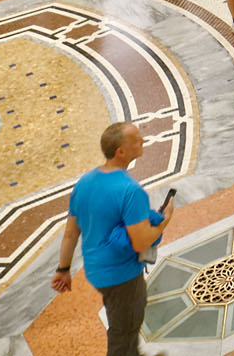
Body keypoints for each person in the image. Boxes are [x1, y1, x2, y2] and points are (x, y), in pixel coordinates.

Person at [54, 121, 169, 354]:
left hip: (96, 271)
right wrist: (165, 220)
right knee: (124, 329)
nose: (143, 140)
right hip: (122, 275)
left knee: (122, 322)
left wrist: (63, 269)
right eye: (137, 139)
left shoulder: (84, 183)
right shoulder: (130, 190)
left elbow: (70, 233)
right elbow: (141, 242)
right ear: (121, 152)